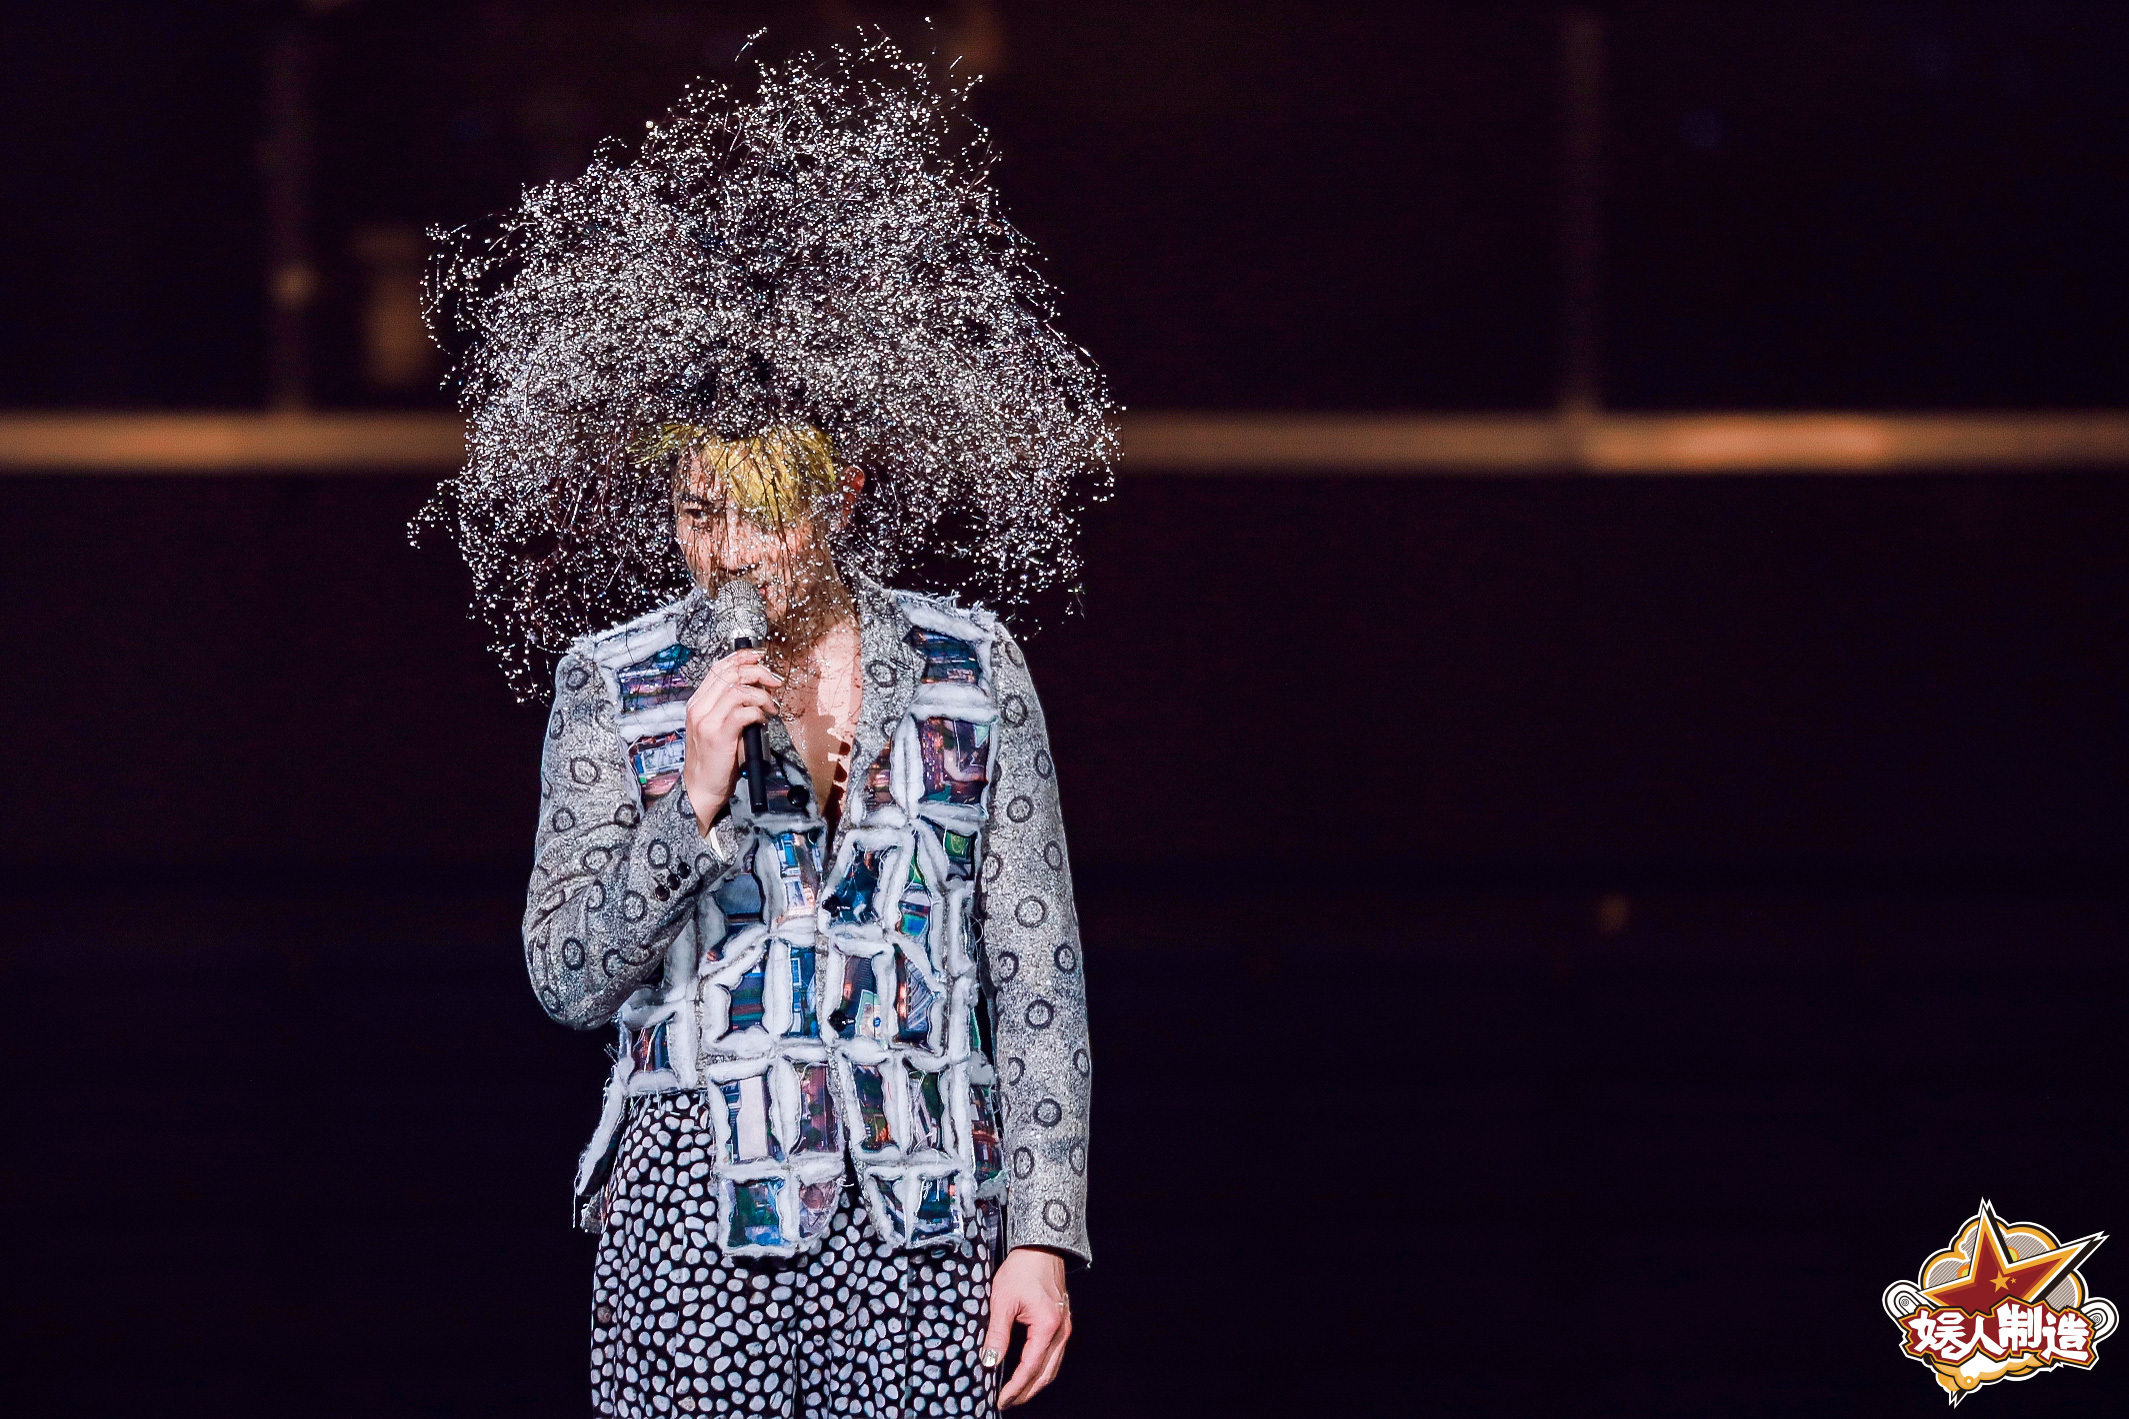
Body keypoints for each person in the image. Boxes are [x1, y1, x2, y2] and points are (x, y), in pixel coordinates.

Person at [422, 41, 1113, 1419]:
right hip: (698, 1205)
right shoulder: (616, 681)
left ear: (839, 498)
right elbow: (564, 978)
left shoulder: (972, 667)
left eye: (761, 514)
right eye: (696, 512)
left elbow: (1033, 964)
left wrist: (1040, 1229)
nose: (725, 550)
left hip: (923, 1201)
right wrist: (686, 804)